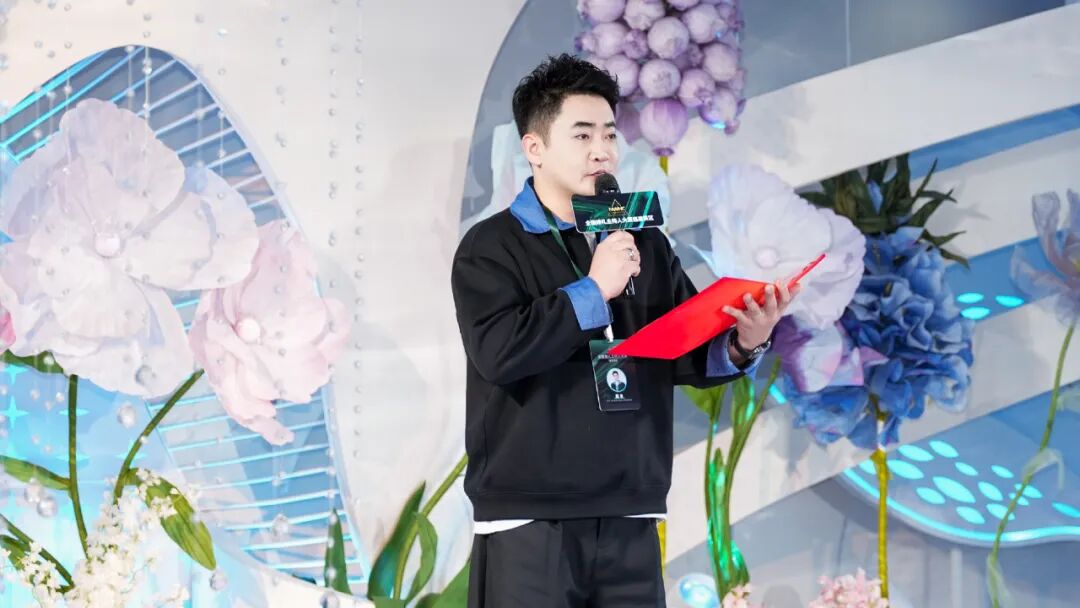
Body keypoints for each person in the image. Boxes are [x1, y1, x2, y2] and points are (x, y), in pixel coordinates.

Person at [451, 54, 798, 607]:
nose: (602, 150)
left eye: (610, 134)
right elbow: (499, 352)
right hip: (530, 515)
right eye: (582, 134)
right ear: (534, 148)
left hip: (631, 509)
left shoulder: (645, 242)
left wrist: (744, 341)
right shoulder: (491, 246)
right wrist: (594, 290)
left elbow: (681, 350)